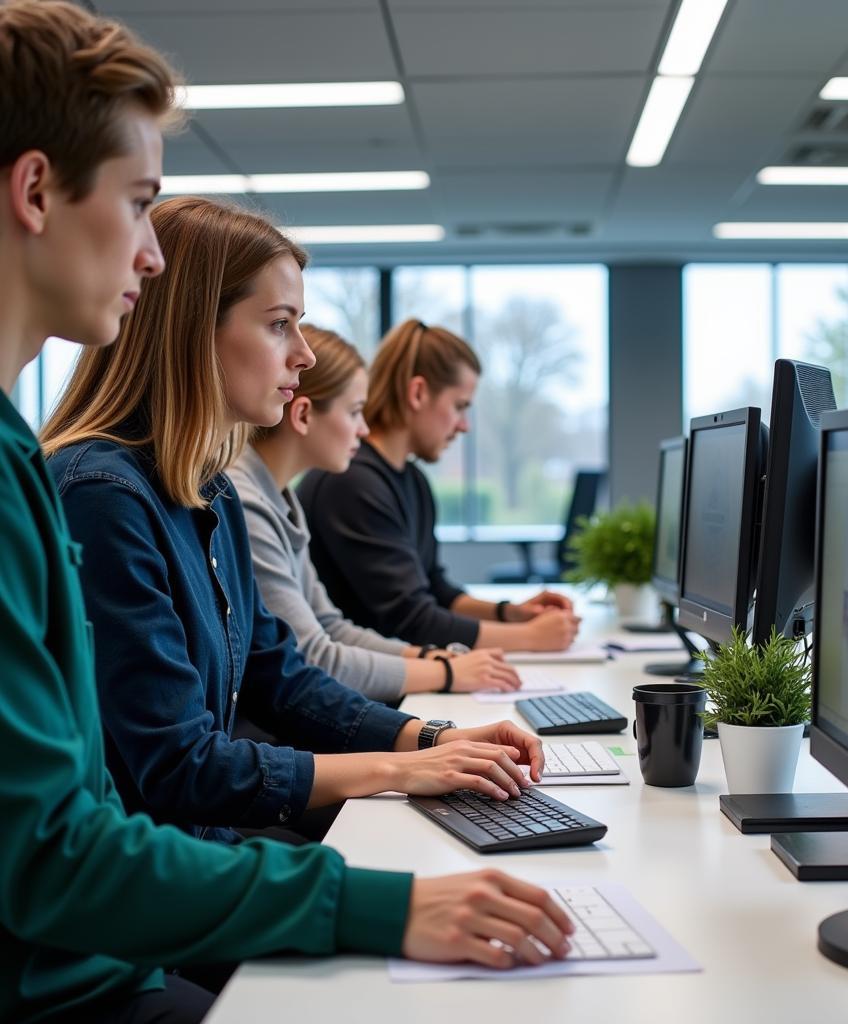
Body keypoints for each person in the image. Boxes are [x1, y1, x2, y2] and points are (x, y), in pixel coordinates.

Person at [0, 6, 570, 1020]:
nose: (152, 255)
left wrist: (419, 741)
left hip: (112, 938)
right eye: (138, 206)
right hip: (76, 971)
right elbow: (101, 817)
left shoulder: (180, 485)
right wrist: (382, 870)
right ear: (37, 190)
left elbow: (275, 666)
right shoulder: (86, 490)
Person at [42, 195, 551, 848]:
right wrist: (404, 767)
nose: (305, 355)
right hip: (158, 880)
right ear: (194, 330)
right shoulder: (103, 496)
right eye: (280, 324)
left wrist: (437, 738)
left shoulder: (210, 489)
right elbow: (181, 766)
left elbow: (279, 675)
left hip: (207, 844)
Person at [229, 322, 523, 701]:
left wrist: (433, 658)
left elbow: (331, 627)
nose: (364, 429)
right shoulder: (250, 501)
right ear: (302, 416)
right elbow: (316, 657)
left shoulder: (281, 497)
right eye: (354, 412)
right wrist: (446, 669)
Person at [298, 318, 582, 650]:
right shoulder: (351, 481)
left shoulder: (411, 479)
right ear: (418, 392)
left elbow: (434, 588)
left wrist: (511, 614)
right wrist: (531, 638)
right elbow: (413, 620)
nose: (464, 426)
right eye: (459, 406)